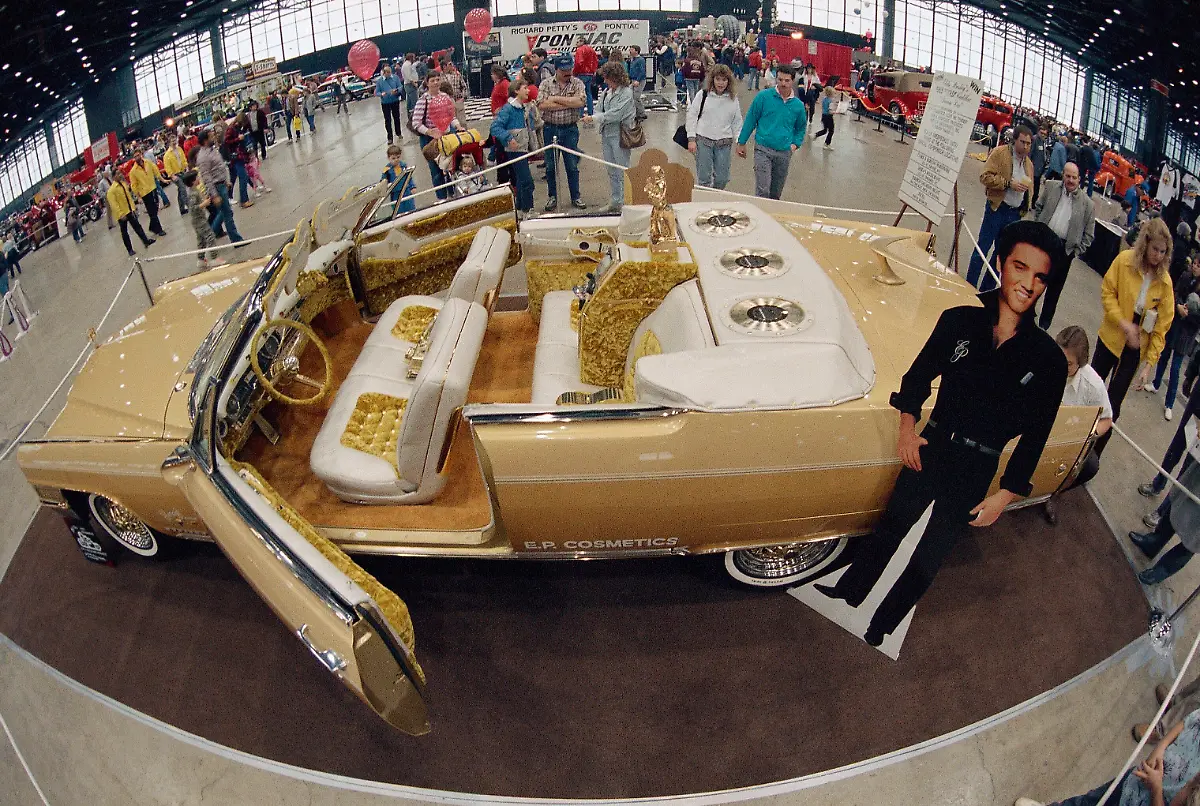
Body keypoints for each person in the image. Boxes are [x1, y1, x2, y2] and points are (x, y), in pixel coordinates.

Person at [815, 220, 1069, 647]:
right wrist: (906, 430)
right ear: (1002, 264)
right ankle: (850, 590)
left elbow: (1036, 436)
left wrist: (1004, 495)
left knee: (930, 555)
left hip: (978, 466)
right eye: (1020, 267)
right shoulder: (959, 322)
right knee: (892, 524)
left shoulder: (1047, 361)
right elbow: (916, 379)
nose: (1027, 284)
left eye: (1040, 277)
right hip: (931, 444)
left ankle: (882, 624)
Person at [1092, 217, 1176, 455]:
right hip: (1110, 337)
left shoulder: (1166, 284)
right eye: (1155, 249)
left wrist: (1149, 364)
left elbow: (1162, 326)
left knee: (1113, 404)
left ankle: (1093, 455)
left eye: (1163, 251)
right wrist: (1123, 323)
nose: (1158, 255)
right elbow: (1107, 292)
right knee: (1092, 389)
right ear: (1145, 243)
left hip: (1135, 349)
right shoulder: (1124, 261)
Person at [1015, 707, 1200, 806]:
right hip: (1135, 782)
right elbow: (1189, 722)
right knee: (1089, 800)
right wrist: (1160, 747)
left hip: (1150, 792)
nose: (1189, 783)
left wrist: (1157, 790)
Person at [1041, 326, 1113, 524]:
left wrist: (1084, 436)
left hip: (1067, 439)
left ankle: (1054, 494)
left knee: (1090, 465)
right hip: (1038, 426)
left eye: (1069, 364)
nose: (1060, 367)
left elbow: (1107, 420)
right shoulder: (1043, 360)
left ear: (1081, 364)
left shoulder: (1093, 385)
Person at [966, 124, 1035, 292]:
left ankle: (985, 291)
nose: (1026, 146)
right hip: (997, 209)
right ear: (1015, 140)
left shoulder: (1029, 165)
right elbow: (985, 176)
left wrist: (1026, 203)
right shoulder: (1000, 153)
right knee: (982, 249)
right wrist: (1007, 184)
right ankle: (969, 286)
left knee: (1000, 256)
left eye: (1029, 143)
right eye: (1023, 142)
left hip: (1014, 215)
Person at [1032, 161, 1096, 329]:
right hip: (1043, 243)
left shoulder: (1088, 204)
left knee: (1053, 292)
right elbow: (1038, 207)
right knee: (1035, 282)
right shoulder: (1051, 187)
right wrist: (1038, 226)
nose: (1071, 180)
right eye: (1068, 176)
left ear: (1079, 179)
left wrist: (1075, 251)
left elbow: (1089, 235)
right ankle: (1025, 316)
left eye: (1074, 177)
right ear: (1063, 175)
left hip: (1064, 251)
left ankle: (1043, 326)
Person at [736, 64, 808, 201]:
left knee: (775, 193)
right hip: (763, 149)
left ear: (792, 81)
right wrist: (741, 142)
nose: (783, 84)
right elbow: (751, 119)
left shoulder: (798, 106)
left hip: (784, 153)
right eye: (780, 80)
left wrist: (795, 144)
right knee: (762, 190)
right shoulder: (763, 97)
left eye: (787, 81)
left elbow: (801, 128)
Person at [1145, 252, 1200, 420]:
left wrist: (1188, 313)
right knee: (1163, 355)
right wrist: (1177, 306)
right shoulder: (1185, 276)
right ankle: (1155, 383)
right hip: (1175, 324)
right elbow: (1174, 292)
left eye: (1198, 266)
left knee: (1176, 367)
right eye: (1195, 264)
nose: (1195, 267)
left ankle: (1169, 403)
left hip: (1187, 333)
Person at [582, 62, 635, 215]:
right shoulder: (606, 92)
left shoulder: (626, 93)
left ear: (615, 77)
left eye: (607, 78)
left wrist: (594, 118)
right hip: (606, 134)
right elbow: (599, 108)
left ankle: (627, 202)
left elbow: (616, 114)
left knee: (622, 169)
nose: (604, 81)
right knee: (611, 169)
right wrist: (597, 116)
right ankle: (616, 200)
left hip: (620, 134)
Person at [538, 54, 588, 213]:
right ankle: (552, 197)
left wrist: (555, 99)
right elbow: (542, 105)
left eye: (570, 69)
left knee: (572, 166)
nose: (568, 72)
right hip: (550, 129)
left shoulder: (578, 83)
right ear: (556, 69)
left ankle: (576, 196)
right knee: (551, 167)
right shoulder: (545, 84)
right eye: (564, 70)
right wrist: (568, 103)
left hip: (570, 129)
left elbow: (580, 102)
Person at [686, 64, 742, 190]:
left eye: (724, 79)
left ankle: (716, 197)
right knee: (704, 178)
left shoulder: (733, 99)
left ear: (729, 81)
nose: (721, 83)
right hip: (703, 141)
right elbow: (692, 115)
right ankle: (705, 203)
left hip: (724, 143)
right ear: (712, 79)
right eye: (718, 79)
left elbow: (737, 122)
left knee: (722, 178)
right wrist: (691, 139)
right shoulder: (703, 95)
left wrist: (739, 141)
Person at [411, 72, 461, 201]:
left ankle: (453, 194)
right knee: (436, 172)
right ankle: (441, 198)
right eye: (432, 80)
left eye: (438, 79)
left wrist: (457, 126)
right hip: (430, 140)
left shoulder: (445, 97)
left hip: (447, 137)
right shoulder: (423, 100)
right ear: (427, 83)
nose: (436, 82)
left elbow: (451, 116)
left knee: (452, 167)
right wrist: (430, 132)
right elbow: (416, 123)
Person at [490, 80, 536, 218]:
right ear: (516, 91)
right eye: (525, 88)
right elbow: (495, 127)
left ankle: (521, 209)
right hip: (515, 150)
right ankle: (528, 209)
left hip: (522, 147)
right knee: (527, 181)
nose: (528, 91)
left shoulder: (522, 107)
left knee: (522, 181)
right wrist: (509, 139)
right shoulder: (509, 109)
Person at [195, 129, 244, 245]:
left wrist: (226, 181)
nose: (214, 137)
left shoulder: (213, 150)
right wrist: (214, 194)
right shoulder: (203, 157)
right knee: (227, 213)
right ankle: (236, 239)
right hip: (216, 187)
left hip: (222, 184)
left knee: (224, 213)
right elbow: (206, 177)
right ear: (205, 140)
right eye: (211, 136)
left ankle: (210, 235)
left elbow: (219, 168)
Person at [182, 171, 224, 272]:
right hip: (199, 219)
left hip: (198, 219)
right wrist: (204, 204)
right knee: (210, 237)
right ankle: (214, 258)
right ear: (192, 181)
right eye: (197, 177)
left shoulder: (194, 190)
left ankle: (201, 259)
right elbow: (193, 208)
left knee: (201, 241)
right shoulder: (193, 193)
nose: (199, 178)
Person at [106, 170, 155, 257]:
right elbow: (114, 205)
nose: (120, 175)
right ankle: (130, 249)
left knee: (137, 226)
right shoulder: (111, 191)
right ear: (113, 177)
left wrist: (133, 208)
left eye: (120, 173)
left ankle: (146, 241)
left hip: (129, 210)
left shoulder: (123, 184)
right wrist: (121, 214)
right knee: (125, 232)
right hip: (122, 215)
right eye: (118, 174)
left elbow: (129, 197)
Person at [128, 152, 167, 238]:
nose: (137, 157)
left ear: (141, 155)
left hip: (153, 188)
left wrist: (162, 179)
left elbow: (155, 171)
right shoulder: (133, 171)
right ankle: (159, 230)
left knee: (156, 207)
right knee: (152, 211)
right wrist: (138, 196)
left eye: (138, 155)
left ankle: (152, 227)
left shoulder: (148, 163)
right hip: (145, 193)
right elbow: (134, 186)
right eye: (135, 157)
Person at [374, 64, 404, 145]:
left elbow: (400, 87)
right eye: (387, 72)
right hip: (385, 103)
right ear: (384, 73)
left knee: (396, 117)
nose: (389, 74)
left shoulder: (395, 78)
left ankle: (399, 133)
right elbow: (376, 92)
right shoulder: (380, 81)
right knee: (387, 120)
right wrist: (381, 94)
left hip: (394, 101)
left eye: (390, 72)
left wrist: (396, 90)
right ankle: (390, 138)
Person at [161, 135, 190, 215]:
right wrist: (172, 176)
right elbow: (167, 167)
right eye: (172, 141)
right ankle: (190, 206)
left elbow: (183, 159)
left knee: (181, 191)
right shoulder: (166, 155)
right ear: (169, 143)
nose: (174, 142)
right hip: (175, 175)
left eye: (175, 140)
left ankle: (182, 209)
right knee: (183, 189)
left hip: (182, 171)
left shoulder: (179, 149)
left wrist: (186, 167)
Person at [572, 37, 599, 116]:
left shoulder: (580, 50)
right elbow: (595, 61)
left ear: (581, 41)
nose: (576, 44)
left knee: (580, 93)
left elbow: (579, 62)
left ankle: (580, 113)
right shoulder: (591, 50)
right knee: (588, 93)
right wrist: (593, 71)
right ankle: (590, 112)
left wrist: (574, 72)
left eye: (577, 42)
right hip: (590, 73)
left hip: (582, 73)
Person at [809, 85, 837, 150]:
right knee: (831, 131)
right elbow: (830, 111)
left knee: (825, 130)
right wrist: (836, 112)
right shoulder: (831, 102)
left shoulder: (824, 99)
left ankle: (816, 135)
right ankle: (827, 143)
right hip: (829, 117)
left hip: (823, 116)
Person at [627, 45, 646, 120]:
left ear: (636, 51)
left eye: (632, 49)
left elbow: (642, 71)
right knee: (631, 97)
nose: (630, 50)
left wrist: (638, 80)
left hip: (639, 80)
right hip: (632, 80)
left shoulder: (640, 60)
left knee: (636, 97)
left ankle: (641, 113)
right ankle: (635, 113)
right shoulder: (632, 59)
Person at [1030, 125, 1048, 207]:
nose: (1043, 135)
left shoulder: (1043, 141)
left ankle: (1033, 202)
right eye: (1041, 133)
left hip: (1040, 170)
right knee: (1031, 187)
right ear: (1038, 131)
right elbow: (1030, 154)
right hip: (1033, 169)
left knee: (1036, 188)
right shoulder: (1034, 139)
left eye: (1045, 134)